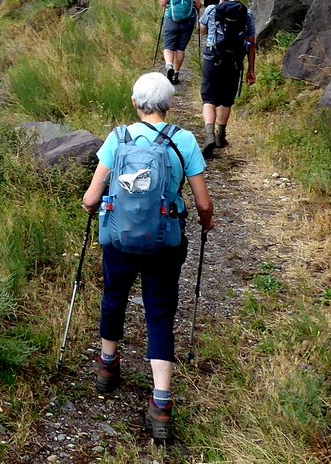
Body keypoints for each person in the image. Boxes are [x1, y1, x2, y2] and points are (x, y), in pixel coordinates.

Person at [82, 72, 215, 443]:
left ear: (134, 103)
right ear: (169, 104)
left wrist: (92, 207)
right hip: (164, 242)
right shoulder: (183, 140)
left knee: (114, 297)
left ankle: (107, 367)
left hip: (119, 239)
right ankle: (161, 403)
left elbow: (92, 198)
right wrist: (207, 221)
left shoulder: (118, 138)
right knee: (159, 312)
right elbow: (203, 203)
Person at [199, 0, 256, 155]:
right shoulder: (247, 13)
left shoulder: (212, 9)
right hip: (234, 61)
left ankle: (209, 135)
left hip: (212, 58)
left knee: (209, 99)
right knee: (226, 99)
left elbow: (202, 30)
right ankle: (220, 136)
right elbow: (252, 43)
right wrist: (251, 70)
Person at [160, 0, 201, 85]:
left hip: (171, 19)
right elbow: (198, 5)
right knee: (180, 48)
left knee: (168, 46)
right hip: (188, 21)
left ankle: (169, 65)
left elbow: (163, 2)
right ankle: (176, 74)